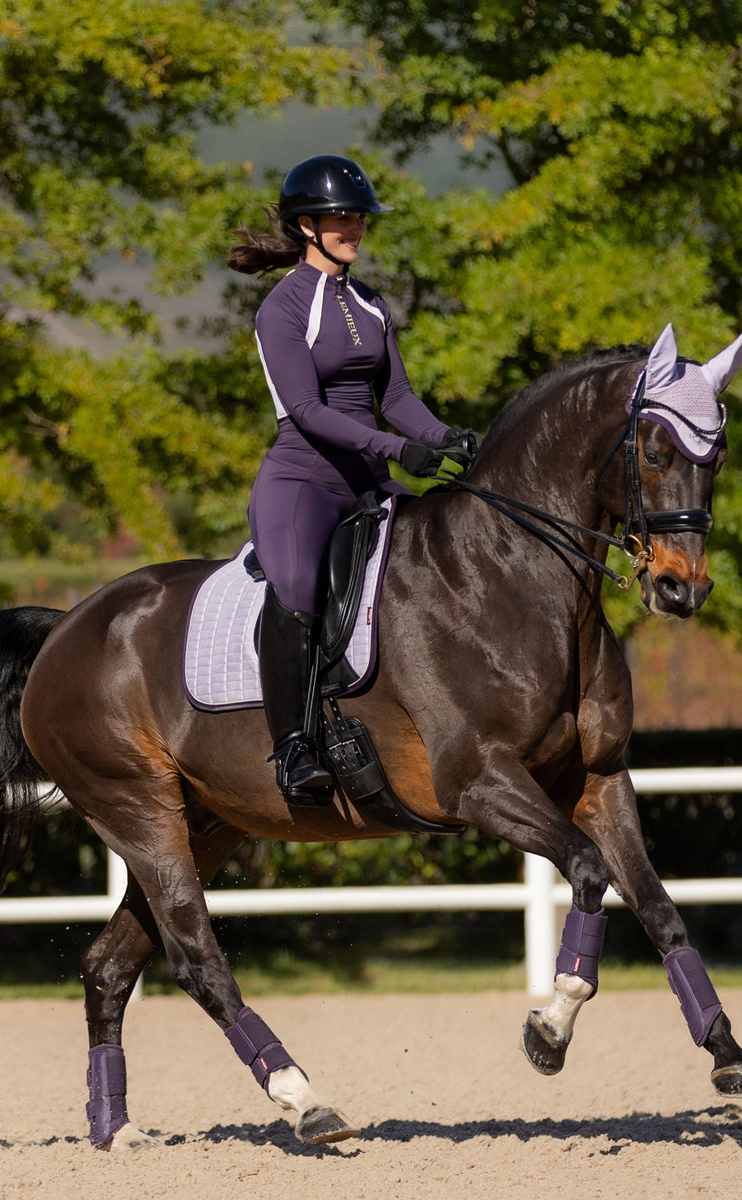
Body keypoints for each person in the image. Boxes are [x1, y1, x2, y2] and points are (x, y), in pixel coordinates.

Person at [226, 154, 479, 806]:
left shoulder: (369, 302)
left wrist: (445, 437)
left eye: (360, 218)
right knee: (298, 590)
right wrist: (397, 450)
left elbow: (396, 397)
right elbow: (308, 412)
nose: (356, 229)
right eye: (342, 218)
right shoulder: (283, 309)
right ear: (306, 225)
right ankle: (292, 747)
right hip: (303, 484)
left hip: (367, 480)